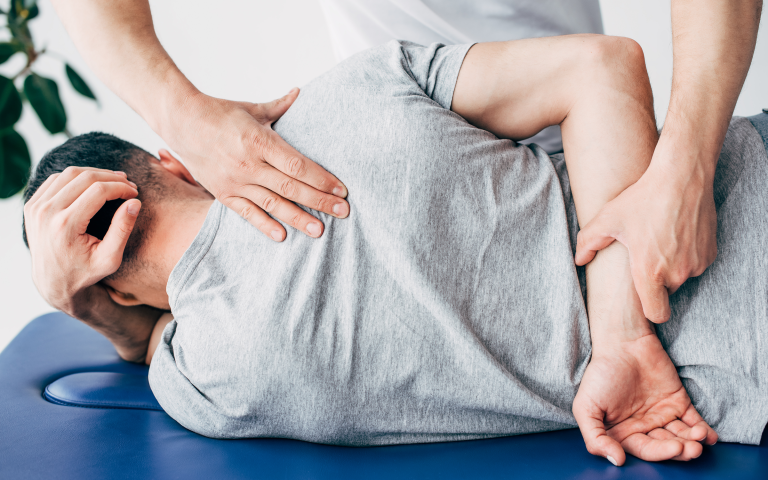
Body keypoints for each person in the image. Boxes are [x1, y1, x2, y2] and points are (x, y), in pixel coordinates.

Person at [23, 36, 768, 466]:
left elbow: (143, 340)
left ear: (109, 289)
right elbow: (605, 66)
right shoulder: (350, 90)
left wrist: (74, 299)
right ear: (175, 163)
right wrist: (621, 331)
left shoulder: (209, 383)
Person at [42, 0, 762, 334]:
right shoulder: (237, 344)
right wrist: (184, 114)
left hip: (591, 142)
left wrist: (686, 169)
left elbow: (601, 74)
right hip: (420, 122)